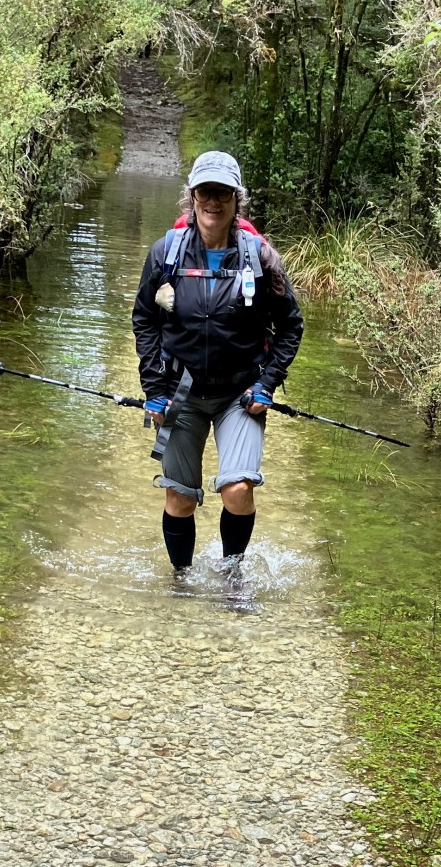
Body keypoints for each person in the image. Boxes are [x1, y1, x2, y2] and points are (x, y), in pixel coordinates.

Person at [132, 151, 303, 572]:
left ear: (236, 198)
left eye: (222, 192)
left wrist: (267, 384)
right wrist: (154, 390)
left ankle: (232, 575)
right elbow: (144, 322)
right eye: (205, 191)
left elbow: (291, 326)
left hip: (239, 395)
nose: (213, 201)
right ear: (192, 196)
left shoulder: (261, 258)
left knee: (238, 489)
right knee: (180, 497)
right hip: (179, 394)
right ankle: (181, 580)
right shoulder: (165, 254)